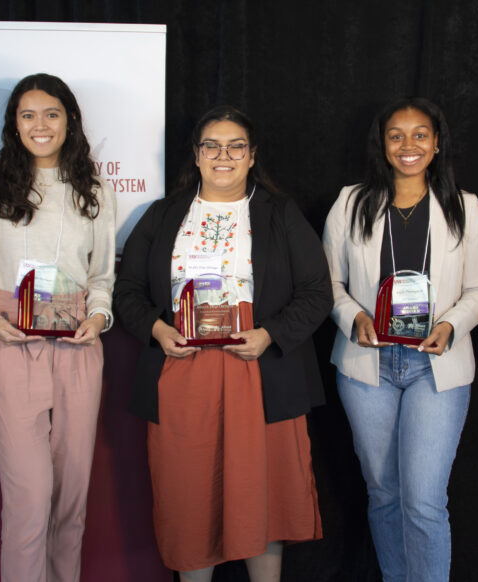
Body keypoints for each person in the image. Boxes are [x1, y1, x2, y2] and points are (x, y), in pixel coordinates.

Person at [113, 105, 329, 582]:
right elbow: (126, 290)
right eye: (212, 145)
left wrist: (270, 334)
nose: (223, 155)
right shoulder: (163, 214)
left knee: (264, 493)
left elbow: (317, 292)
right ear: (196, 155)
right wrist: (157, 328)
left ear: (252, 156)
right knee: (189, 493)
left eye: (236, 146)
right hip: (182, 369)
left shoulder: (280, 214)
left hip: (259, 367)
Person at [0, 73, 116, 581]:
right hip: (12, 349)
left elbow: (103, 275)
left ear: (69, 121)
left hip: (79, 352)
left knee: (71, 498)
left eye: (51, 114)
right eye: (28, 115)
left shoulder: (95, 189)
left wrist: (99, 315)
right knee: (29, 497)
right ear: (13, 124)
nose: (40, 125)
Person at [322, 97, 478, 582]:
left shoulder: (464, 206)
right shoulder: (350, 202)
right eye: (396, 135)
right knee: (384, 493)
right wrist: (353, 316)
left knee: (423, 500)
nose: (408, 144)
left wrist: (451, 325)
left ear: (437, 144)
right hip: (367, 365)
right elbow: (328, 283)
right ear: (382, 143)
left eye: (420, 134)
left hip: (435, 365)